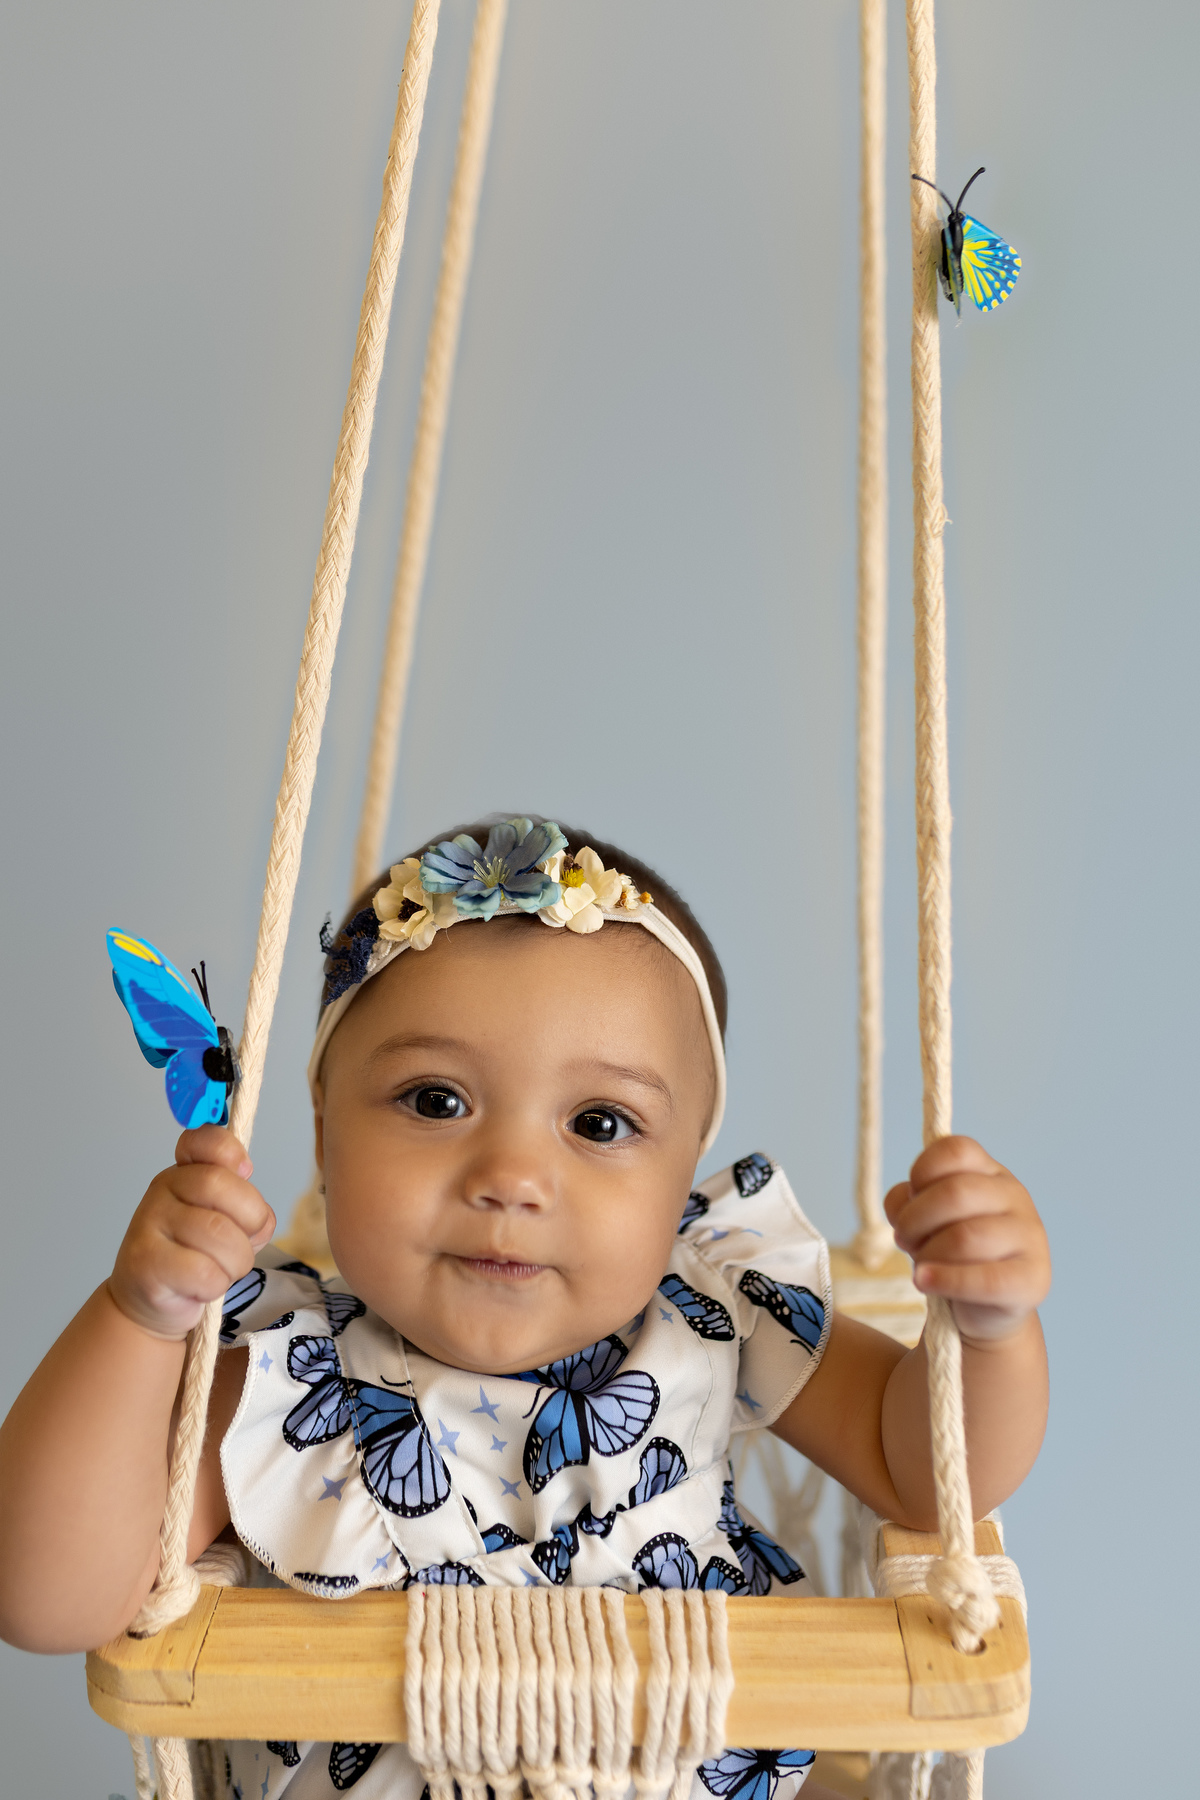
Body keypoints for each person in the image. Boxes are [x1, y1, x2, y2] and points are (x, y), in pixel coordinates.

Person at [0, 816, 1051, 1800]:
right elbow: (49, 1599)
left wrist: (988, 1332)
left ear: (683, 1173)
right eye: (436, 1101)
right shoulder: (290, 1372)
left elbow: (926, 1469)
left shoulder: (716, 1313)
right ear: (323, 1136)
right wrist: (137, 1319)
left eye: (599, 1123)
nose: (510, 1176)